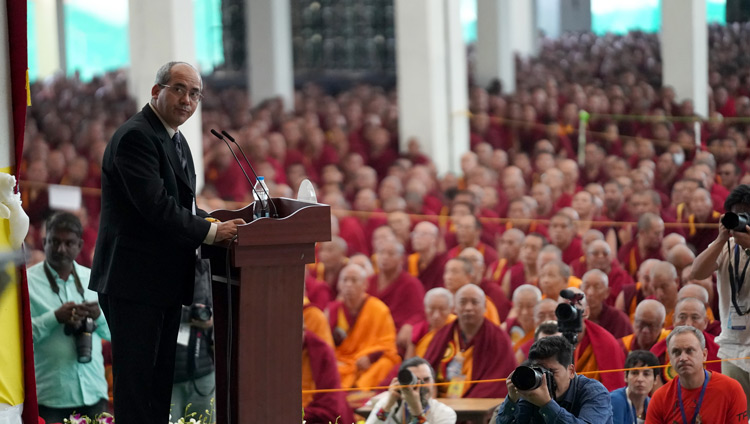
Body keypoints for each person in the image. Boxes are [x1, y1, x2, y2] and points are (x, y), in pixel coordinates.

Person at [89, 62, 244, 423]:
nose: (187, 100)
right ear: (156, 91)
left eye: (194, 93)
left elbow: (182, 205)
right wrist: (208, 233)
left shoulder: (175, 138)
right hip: (134, 283)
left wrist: (216, 220)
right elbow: (155, 207)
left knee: (158, 388)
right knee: (137, 389)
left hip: (162, 283)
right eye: (179, 89)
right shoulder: (136, 137)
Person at [28, 212, 111, 422]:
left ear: (80, 245)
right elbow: (18, 340)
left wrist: (98, 315)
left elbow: (113, 335)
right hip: (50, 399)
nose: (60, 249)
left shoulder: (93, 279)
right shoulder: (27, 283)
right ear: (44, 241)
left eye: (68, 243)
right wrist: (55, 318)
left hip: (93, 393)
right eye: (54, 242)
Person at [691, 184, 750, 412]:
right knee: (736, 414)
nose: (742, 219)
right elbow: (696, 272)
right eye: (737, 213)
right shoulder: (726, 247)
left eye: (747, 213)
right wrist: (720, 239)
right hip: (733, 346)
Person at [424, 284, 516, 398]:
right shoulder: (442, 336)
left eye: (474, 302)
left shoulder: (498, 338)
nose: (468, 308)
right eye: (462, 302)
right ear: (455, 308)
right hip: (443, 403)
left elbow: (498, 382)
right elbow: (427, 371)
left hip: (480, 407)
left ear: (485, 307)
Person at [496, 336, 613, 424]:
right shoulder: (533, 390)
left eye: (551, 372)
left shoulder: (595, 392)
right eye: (540, 371)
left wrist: (547, 405)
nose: (545, 378)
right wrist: (512, 400)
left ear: (571, 371)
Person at [645, 326, 747, 423]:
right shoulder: (660, 398)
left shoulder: (731, 389)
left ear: (704, 355)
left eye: (689, 351)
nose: (683, 358)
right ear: (670, 359)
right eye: (676, 352)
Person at [328, 264, 401, 388]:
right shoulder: (331, 310)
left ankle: (361, 392)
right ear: (339, 284)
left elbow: (388, 345)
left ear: (365, 285)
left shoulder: (379, 309)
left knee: (386, 364)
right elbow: (323, 342)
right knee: (329, 368)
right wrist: (332, 359)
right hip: (341, 362)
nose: (348, 285)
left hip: (367, 362)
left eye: (354, 280)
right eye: (344, 280)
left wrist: (370, 357)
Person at [170, 260, 215, 422]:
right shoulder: (159, 264)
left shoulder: (205, 268)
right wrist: (186, 315)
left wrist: (211, 321)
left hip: (203, 370)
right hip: (169, 376)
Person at [366, 357, 457, 424]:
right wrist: (388, 406)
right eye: (415, 380)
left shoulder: (445, 413)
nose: (421, 386)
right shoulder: (387, 403)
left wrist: (417, 412)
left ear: (434, 382)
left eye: (426, 379)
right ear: (401, 382)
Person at [302, 329, 353, 424]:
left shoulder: (320, 349)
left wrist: (388, 403)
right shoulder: (382, 408)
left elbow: (381, 418)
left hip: (313, 410)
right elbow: (379, 419)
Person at [609, 350, 660, 424]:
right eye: (634, 373)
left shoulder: (652, 405)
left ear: (655, 379)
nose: (640, 379)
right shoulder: (614, 401)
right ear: (625, 376)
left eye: (646, 374)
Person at [580, 269, 633, 338]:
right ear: (579, 290)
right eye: (586, 286)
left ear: (607, 292)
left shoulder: (618, 319)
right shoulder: (573, 316)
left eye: (597, 287)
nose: (590, 293)